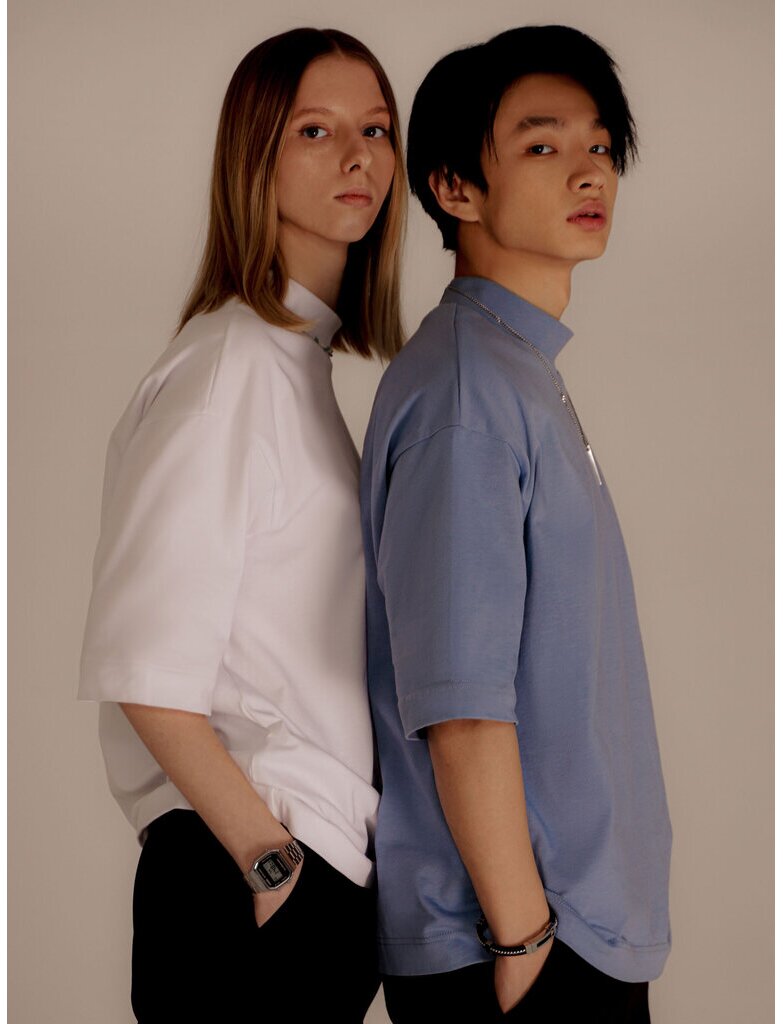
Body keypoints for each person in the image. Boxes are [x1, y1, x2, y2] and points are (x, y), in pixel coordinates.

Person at [78, 27, 405, 1023]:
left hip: (308, 867)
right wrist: (271, 864)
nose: (357, 156)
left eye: (376, 130)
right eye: (315, 129)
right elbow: (145, 668)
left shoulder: (292, 364)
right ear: (252, 155)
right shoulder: (229, 367)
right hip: (250, 874)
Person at [361, 25, 671, 1023]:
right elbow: (461, 705)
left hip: (562, 933)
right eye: (542, 145)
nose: (589, 170)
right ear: (456, 187)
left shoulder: (513, 372)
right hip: (518, 949)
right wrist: (525, 939)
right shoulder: (468, 394)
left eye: (600, 145)